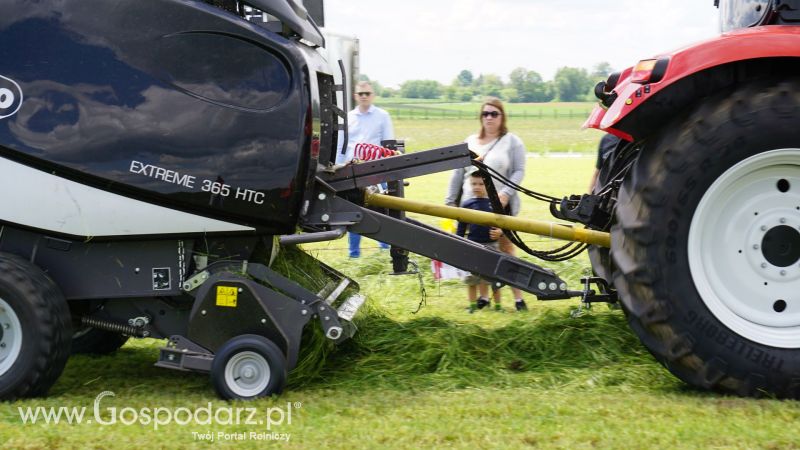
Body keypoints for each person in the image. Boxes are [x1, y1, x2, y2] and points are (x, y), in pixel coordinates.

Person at [445, 98, 528, 312]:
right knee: (476, 251)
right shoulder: (470, 141)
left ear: (502, 117)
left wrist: (506, 194)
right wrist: (450, 203)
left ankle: (518, 299)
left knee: (506, 249)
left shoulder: (512, 142)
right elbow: (457, 174)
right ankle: (483, 299)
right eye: (485, 114)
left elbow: (519, 171)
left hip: (500, 207)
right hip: (470, 208)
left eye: (494, 114)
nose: (489, 117)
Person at [337, 81, 394, 258]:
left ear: (373, 96)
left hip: (377, 170)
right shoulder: (348, 117)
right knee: (354, 210)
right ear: (355, 96)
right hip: (354, 171)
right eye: (361, 93)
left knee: (381, 209)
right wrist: (339, 169)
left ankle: (384, 251)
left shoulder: (382, 116)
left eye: (367, 93)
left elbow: (388, 144)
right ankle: (354, 254)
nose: (364, 96)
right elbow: (342, 145)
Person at [456, 172, 503, 311]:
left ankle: (498, 306)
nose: (477, 187)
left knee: (494, 278)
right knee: (472, 279)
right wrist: (459, 242)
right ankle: (472, 307)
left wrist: (500, 232)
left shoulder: (494, 204)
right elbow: (461, 227)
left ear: (487, 185)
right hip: (473, 246)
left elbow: (504, 225)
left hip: (492, 246)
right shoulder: (467, 204)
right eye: (474, 184)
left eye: (481, 184)